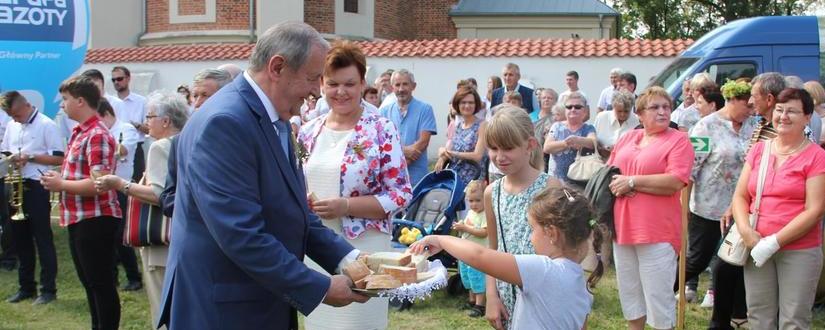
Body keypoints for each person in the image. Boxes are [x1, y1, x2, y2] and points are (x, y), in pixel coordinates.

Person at [157, 22, 368, 330]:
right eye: (312, 78)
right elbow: (240, 233)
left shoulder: (274, 116)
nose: (315, 92)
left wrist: (350, 260)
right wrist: (319, 287)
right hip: (224, 310)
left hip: (257, 300)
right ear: (277, 67)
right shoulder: (226, 122)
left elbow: (292, 211)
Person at [297, 41, 412, 330]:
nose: (341, 92)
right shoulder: (310, 130)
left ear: (363, 83)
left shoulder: (381, 129)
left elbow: (400, 194)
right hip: (317, 250)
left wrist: (345, 206)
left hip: (364, 248)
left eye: (350, 83)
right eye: (333, 84)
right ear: (321, 84)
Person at [412, 186, 602, 329]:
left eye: (532, 229)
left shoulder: (544, 270)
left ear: (551, 233)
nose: (531, 237)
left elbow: (480, 256)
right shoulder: (583, 287)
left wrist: (440, 239)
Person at [731, 88, 825, 329]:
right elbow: (740, 196)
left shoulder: (816, 157)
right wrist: (746, 232)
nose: (783, 116)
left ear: (807, 118)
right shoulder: (760, 149)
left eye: (792, 111)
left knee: (793, 319)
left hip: (799, 251)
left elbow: (815, 210)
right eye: (780, 110)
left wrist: (774, 242)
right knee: (759, 316)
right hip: (755, 244)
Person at [95, 91, 189, 325]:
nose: (147, 122)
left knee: (162, 308)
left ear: (165, 121)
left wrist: (120, 184)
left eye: (150, 116)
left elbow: (160, 195)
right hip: (181, 235)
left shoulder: (160, 147)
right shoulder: (187, 141)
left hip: (159, 241)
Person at [607, 86, 694, 330]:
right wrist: (620, 183)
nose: (662, 111)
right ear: (640, 114)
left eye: (666, 106)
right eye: (655, 107)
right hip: (623, 229)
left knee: (658, 299)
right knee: (630, 295)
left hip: (657, 231)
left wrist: (633, 182)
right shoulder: (627, 138)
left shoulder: (679, 140)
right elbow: (611, 172)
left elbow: (676, 180)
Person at [41, 75, 122, 330]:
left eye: (65, 100)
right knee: (91, 283)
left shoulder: (96, 134)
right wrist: (61, 178)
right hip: (80, 218)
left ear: (80, 101)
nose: (62, 105)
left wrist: (61, 185)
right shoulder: (80, 132)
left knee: (101, 284)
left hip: (96, 219)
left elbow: (99, 185)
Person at [684, 80, 755, 329]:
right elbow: (690, 170)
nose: (751, 110)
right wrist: (684, 210)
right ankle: (663, 289)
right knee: (697, 260)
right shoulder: (705, 126)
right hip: (709, 206)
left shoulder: (754, 126)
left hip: (742, 208)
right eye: (747, 105)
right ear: (732, 100)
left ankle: (737, 314)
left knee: (733, 262)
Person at [482, 105, 555, 329]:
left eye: (508, 148)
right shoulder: (491, 192)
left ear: (529, 145)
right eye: (493, 148)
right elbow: (492, 249)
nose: (499, 156)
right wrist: (491, 296)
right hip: (507, 299)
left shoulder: (550, 188)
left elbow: (564, 252)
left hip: (544, 296)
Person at [0, 91, 62, 305]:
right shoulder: (12, 125)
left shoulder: (46, 124)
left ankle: (48, 289)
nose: (15, 119)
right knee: (20, 237)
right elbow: (6, 151)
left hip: (37, 184)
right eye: (11, 116)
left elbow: (58, 156)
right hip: (16, 182)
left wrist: (31, 157)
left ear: (26, 105)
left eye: (16, 114)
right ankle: (26, 286)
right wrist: (11, 159)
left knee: (42, 237)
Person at [95, 100, 143, 292]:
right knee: (104, 234)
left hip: (121, 187)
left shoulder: (126, 129)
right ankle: (111, 276)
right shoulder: (100, 132)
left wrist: (102, 144)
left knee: (121, 235)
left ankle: (134, 277)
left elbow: (122, 151)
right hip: (103, 186)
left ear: (106, 114)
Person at [379, 69, 437, 187]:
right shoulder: (384, 111)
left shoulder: (425, 109)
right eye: (397, 85)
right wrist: (404, 151)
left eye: (405, 84)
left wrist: (401, 163)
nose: (401, 89)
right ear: (392, 87)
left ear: (413, 86)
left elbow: (423, 142)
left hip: (417, 177)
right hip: (390, 178)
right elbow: (380, 143)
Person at [451, 180, 488, 318]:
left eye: (478, 200)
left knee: (477, 277)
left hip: (478, 253)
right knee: (467, 276)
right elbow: (467, 225)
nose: (473, 204)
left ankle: (480, 305)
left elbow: (484, 232)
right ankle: (471, 300)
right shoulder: (471, 213)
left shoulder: (485, 214)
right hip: (466, 252)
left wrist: (465, 228)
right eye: (470, 201)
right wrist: (461, 225)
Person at [436, 86, 487, 186]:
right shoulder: (458, 126)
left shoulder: (483, 125)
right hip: (454, 179)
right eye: (463, 102)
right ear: (457, 104)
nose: (467, 106)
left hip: (473, 181)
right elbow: (448, 149)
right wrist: (442, 156)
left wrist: (453, 153)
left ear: (476, 104)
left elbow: (478, 156)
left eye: (471, 102)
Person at [542, 92, 597, 182]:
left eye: (577, 107)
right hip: (556, 182)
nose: (573, 109)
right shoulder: (556, 126)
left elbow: (593, 142)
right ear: (565, 110)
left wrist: (578, 140)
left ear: (584, 111)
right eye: (569, 107)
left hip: (580, 183)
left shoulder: (588, 128)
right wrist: (566, 143)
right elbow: (547, 147)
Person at [111, 66, 148, 183]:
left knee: (136, 182)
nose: (116, 82)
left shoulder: (141, 101)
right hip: (115, 147)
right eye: (113, 80)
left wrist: (135, 125)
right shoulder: (109, 102)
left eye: (119, 79)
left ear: (128, 79)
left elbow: (149, 129)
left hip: (135, 147)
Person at [594, 90, 639, 156]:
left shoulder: (637, 121)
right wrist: (601, 148)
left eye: (626, 111)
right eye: (619, 111)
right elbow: (593, 139)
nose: (622, 114)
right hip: (601, 160)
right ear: (613, 107)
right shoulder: (601, 117)